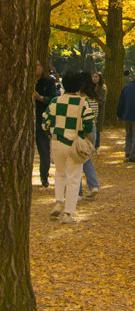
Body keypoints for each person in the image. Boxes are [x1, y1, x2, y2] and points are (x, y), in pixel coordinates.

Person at [42, 71, 94, 223]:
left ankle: (59, 202)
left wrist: (50, 134)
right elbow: (89, 123)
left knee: (59, 173)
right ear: (79, 85)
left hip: (57, 141)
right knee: (74, 177)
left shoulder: (55, 101)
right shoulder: (83, 103)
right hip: (74, 142)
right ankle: (68, 213)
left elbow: (45, 120)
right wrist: (85, 135)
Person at [34, 60, 57, 188]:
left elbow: (54, 99)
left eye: (37, 66)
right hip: (27, 122)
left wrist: (41, 98)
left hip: (41, 121)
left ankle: (44, 177)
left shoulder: (48, 83)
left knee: (44, 150)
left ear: (42, 68)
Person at [116, 69, 135, 162]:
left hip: (126, 115)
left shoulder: (127, 87)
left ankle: (127, 152)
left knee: (128, 134)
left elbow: (121, 101)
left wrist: (119, 114)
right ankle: (133, 155)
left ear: (134, 76)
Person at [79, 71, 100, 198]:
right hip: (93, 126)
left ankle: (78, 190)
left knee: (77, 159)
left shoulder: (80, 96)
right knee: (87, 158)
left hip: (83, 128)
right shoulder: (93, 95)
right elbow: (95, 113)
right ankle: (93, 186)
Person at [92, 71, 107, 149]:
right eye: (93, 77)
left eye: (96, 77)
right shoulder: (91, 87)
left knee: (97, 129)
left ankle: (96, 146)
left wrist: (94, 100)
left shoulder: (103, 88)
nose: (94, 78)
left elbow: (102, 99)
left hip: (99, 110)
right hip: (91, 109)